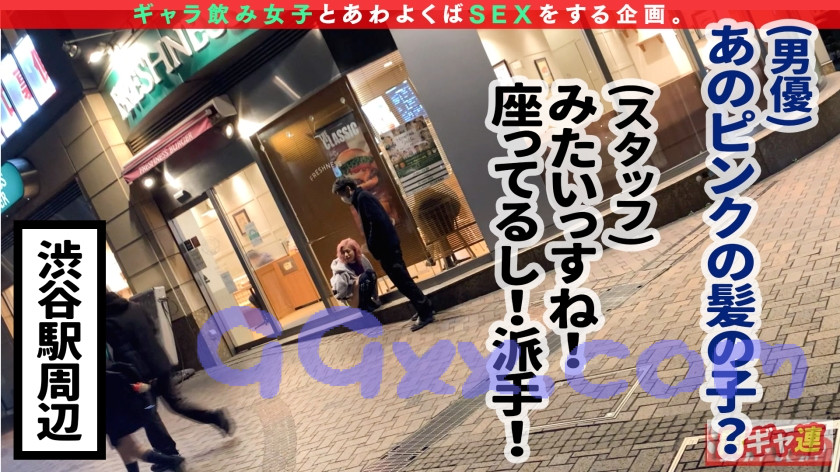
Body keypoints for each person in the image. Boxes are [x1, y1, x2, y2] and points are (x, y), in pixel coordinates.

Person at [105, 291, 234, 468]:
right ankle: (216, 417)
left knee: (150, 416)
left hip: (139, 375)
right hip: (160, 364)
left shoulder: (107, 322)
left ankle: (169, 455)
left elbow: (116, 352)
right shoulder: (136, 308)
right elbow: (153, 330)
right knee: (177, 403)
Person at [332, 177, 436, 331]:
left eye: (341, 194)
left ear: (348, 189)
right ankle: (424, 305)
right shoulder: (362, 198)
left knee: (402, 281)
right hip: (388, 246)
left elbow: (377, 222)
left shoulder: (362, 198)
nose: (342, 198)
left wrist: (371, 243)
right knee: (403, 280)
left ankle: (425, 312)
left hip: (387, 248)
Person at [106, 345, 185, 472]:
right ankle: (171, 460)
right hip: (112, 399)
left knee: (128, 446)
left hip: (110, 403)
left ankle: (172, 461)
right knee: (124, 447)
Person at [330, 238, 381, 312]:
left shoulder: (362, 259)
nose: (346, 255)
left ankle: (368, 302)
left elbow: (372, 275)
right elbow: (339, 294)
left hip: (363, 293)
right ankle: (362, 306)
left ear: (354, 250)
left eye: (348, 251)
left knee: (370, 273)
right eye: (343, 253)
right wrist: (355, 284)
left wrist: (375, 296)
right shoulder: (340, 269)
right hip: (353, 299)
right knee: (364, 278)